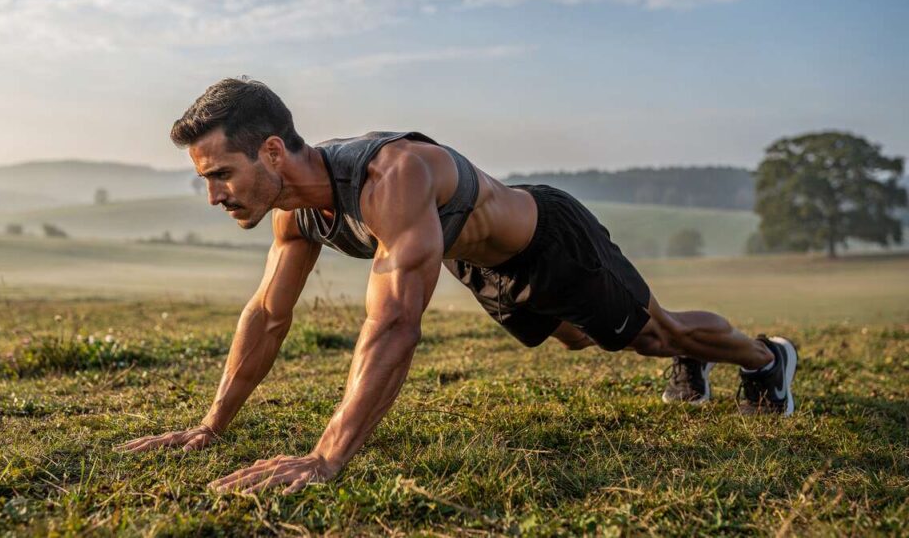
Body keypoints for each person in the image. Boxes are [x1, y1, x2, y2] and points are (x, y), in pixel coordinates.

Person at [115, 77, 798, 495]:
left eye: (219, 174)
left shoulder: (392, 177)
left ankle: (767, 360)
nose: (213, 196)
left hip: (549, 241)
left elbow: (393, 325)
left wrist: (327, 457)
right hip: (480, 262)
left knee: (655, 333)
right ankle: (692, 350)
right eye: (204, 179)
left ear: (270, 151)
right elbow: (267, 316)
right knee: (572, 339)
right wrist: (210, 426)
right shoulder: (295, 213)